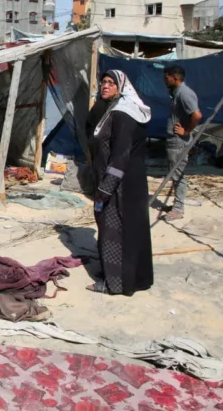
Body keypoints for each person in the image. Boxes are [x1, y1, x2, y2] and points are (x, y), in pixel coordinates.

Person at [86, 69, 153, 296]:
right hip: (128, 181)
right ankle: (132, 277)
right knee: (132, 230)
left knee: (114, 230)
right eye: (103, 82)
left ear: (121, 87)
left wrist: (106, 188)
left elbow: (120, 155)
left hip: (118, 185)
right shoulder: (116, 111)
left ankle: (115, 284)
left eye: (110, 83)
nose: (105, 86)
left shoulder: (122, 114)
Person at [161, 65, 202, 221]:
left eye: (166, 78)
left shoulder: (184, 93)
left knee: (178, 175)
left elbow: (197, 115)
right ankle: (177, 204)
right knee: (176, 174)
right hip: (174, 141)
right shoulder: (176, 93)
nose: (165, 81)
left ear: (175, 78)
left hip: (179, 142)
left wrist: (186, 131)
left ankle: (178, 209)